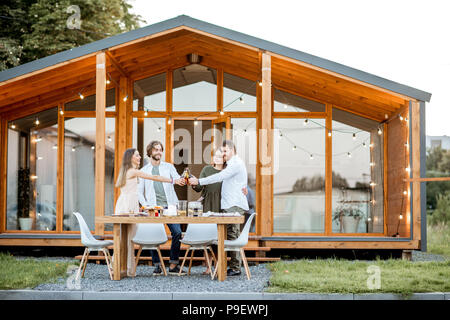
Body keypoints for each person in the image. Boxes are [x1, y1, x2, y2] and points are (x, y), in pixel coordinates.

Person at [189, 140, 249, 276]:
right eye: (222, 152)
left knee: (232, 234)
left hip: (233, 204)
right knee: (229, 234)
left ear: (232, 150)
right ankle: (229, 266)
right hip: (228, 205)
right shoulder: (232, 164)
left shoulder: (236, 164)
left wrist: (199, 181)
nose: (223, 154)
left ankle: (235, 268)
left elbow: (221, 176)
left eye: (225, 151)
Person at [114, 148, 173, 277]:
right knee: (127, 238)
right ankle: (123, 268)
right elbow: (153, 177)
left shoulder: (127, 171)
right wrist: (171, 180)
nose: (140, 157)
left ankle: (125, 269)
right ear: (130, 158)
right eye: (137, 155)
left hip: (128, 204)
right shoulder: (133, 171)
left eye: (139, 155)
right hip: (128, 206)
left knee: (128, 238)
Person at [137, 140, 187, 275]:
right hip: (154, 207)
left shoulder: (169, 167)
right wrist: (146, 206)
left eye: (160, 150)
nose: (159, 152)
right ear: (150, 152)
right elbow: (139, 192)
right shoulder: (143, 171)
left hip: (170, 206)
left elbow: (177, 179)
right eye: (156, 150)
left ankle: (173, 264)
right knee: (153, 234)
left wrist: (182, 180)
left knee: (177, 232)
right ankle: (157, 265)